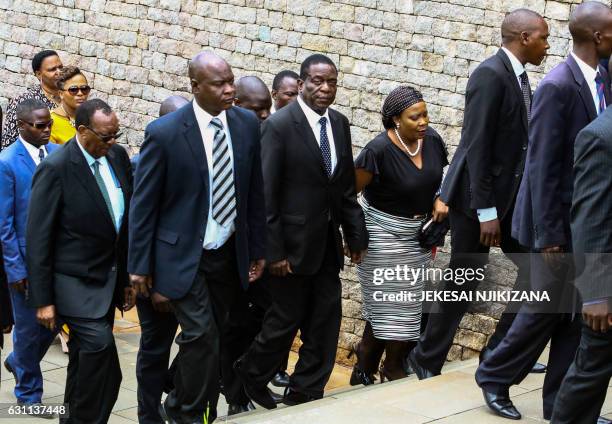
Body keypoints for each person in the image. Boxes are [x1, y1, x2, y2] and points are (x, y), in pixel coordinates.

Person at [476, 2, 612, 421]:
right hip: (555, 228)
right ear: (598, 37)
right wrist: (548, 236)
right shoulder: (557, 86)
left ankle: (561, 402)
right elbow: (542, 166)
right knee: (542, 313)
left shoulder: (602, 77)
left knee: (576, 321)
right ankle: (494, 376)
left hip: (585, 220)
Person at [407, 8, 550, 384]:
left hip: (508, 201)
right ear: (524, 37)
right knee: (464, 277)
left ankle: (501, 352)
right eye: (543, 38)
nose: (548, 46)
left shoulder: (517, 77)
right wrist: (487, 210)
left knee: (538, 271)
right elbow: (477, 147)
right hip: (478, 202)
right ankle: (425, 358)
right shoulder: (490, 74)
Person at [128, 51, 266, 424]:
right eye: (219, 84)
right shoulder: (166, 133)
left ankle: (192, 405)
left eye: (231, 81)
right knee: (202, 335)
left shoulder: (245, 125)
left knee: (214, 338)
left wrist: (257, 248)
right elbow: (144, 206)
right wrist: (139, 266)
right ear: (195, 86)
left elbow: (253, 191)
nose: (229, 90)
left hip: (226, 252)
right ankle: (185, 412)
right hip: (182, 256)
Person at [234, 54, 368, 409]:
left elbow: (343, 187)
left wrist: (356, 235)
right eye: (317, 81)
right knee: (284, 319)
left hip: (326, 244)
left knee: (326, 317)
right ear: (304, 82)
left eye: (332, 82)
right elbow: (265, 194)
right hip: (289, 249)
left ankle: (305, 390)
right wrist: (274, 251)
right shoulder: (279, 126)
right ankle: (249, 375)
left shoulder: (339, 124)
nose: (325, 89)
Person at [26, 98, 135, 424]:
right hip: (71, 283)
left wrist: (126, 280)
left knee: (87, 366)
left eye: (116, 134)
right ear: (83, 130)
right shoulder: (56, 169)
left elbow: (122, 225)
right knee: (102, 357)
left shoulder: (116, 156)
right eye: (106, 136)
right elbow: (38, 238)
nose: (113, 142)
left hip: (107, 281)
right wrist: (43, 300)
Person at [350, 86, 448, 384]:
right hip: (381, 234)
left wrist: (439, 198)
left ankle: (365, 365)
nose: (423, 122)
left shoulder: (431, 141)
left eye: (425, 115)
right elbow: (347, 196)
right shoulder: (376, 151)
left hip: (415, 237)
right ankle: (390, 368)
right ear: (395, 120)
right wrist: (353, 237)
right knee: (394, 304)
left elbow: (436, 181)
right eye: (414, 117)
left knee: (402, 305)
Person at [552, 109, 612, 424]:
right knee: (590, 373)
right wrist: (596, 293)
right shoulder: (601, 135)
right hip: (608, 291)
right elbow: (590, 217)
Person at [0, 99, 59, 414]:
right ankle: (28, 395)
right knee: (26, 327)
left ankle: (16, 361)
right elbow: (4, 224)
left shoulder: (57, 154)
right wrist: (15, 269)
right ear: (22, 126)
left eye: (48, 123)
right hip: (23, 263)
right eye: (39, 125)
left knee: (52, 324)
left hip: (55, 261)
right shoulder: (6, 162)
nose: (47, 129)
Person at [134, 94, 188, 424]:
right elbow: (138, 228)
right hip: (156, 278)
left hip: (189, 272)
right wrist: (148, 279)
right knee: (155, 348)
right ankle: (147, 414)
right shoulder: (143, 165)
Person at [2, 50, 62, 149]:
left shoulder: (69, 97)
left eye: (60, 67)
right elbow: (9, 143)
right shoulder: (23, 101)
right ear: (38, 74)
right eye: (52, 69)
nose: (59, 72)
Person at [50, 66, 91, 144]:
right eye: (73, 90)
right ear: (61, 94)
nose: (80, 93)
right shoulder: (49, 122)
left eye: (84, 89)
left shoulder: (93, 118)